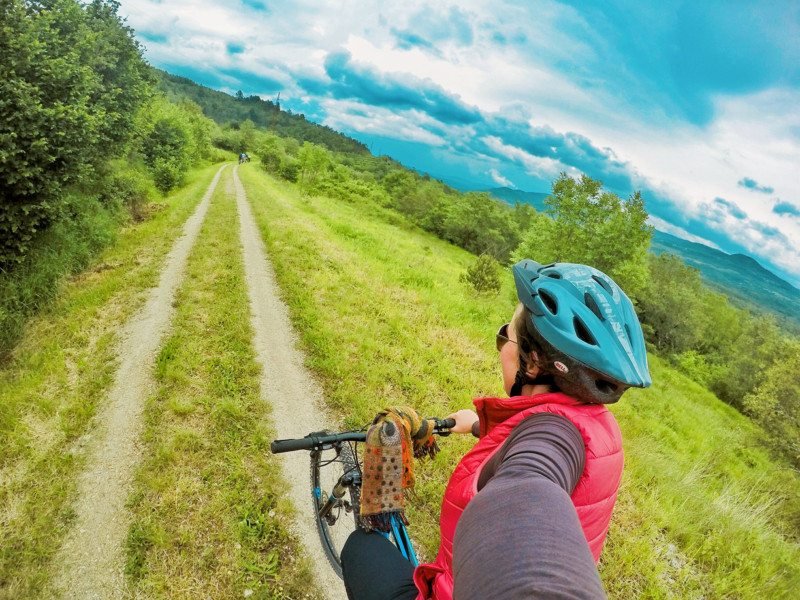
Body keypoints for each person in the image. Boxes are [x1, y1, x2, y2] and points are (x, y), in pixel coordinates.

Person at [341, 259, 652, 600]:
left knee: (361, 548)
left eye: (507, 335)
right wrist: (477, 425)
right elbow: (533, 436)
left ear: (532, 363)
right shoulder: (596, 424)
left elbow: (529, 482)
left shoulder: (552, 441)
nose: (502, 344)